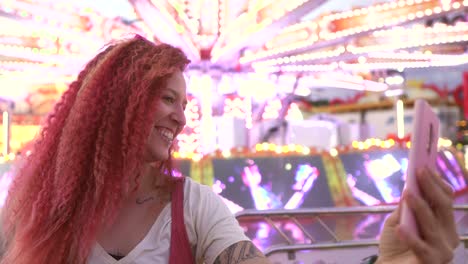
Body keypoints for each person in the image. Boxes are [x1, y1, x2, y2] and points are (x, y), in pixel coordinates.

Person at [0, 35, 458, 264]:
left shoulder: (195, 207)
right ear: (119, 99)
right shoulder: (36, 208)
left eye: (183, 102)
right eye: (166, 98)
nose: (180, 117)